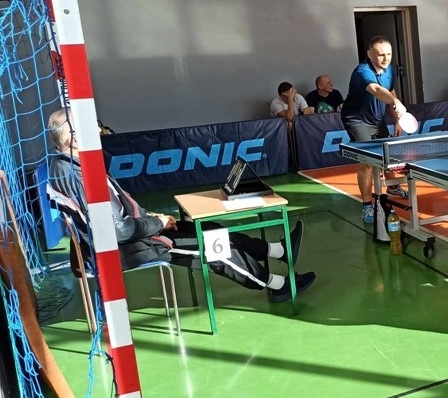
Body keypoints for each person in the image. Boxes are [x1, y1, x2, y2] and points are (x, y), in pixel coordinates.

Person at [46, 110, 316, 304]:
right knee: (216, 248)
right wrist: (158, 223)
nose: (99, 131)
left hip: (136, 235)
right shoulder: (76, 175)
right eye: (89, 127)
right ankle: (278, 285)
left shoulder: (74, 166)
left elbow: (120, 210)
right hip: (127, 249)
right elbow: (119, 231)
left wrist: (153, 216)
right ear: (74, 140)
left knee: (210, 228)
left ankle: (278, 250)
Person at [340, 36, 411, 223]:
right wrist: (396, 102)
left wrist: (397, 119)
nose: (386, 59)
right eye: (380, 55)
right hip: (356, 119)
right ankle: (366, 205)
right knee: (367, 162)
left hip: (376, 118)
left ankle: (392, 187)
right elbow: (377, 90)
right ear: (370, 54)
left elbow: (391, 91)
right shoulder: (362, 71)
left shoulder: (390, 70)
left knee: (386, 155)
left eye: (389, 54)